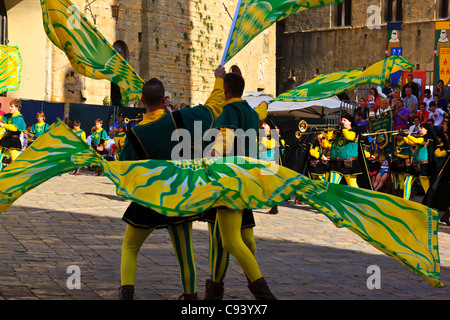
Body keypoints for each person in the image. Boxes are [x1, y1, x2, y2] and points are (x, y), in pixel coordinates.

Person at [202, 70, 275, 300]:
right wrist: (265, 103)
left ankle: (263, 292)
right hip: (247, 179)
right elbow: (261, 113)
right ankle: (227, 286)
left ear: (225, 90)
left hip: (229, 179)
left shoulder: (229, 110)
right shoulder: (252, 113)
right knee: (247, 238)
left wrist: (212, 156)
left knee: (230, 241)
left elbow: (227, 137)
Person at [398, 123, 438, 200]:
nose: (420, 129)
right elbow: (411, 142)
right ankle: (405, 201)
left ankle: (429, 203)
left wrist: (406, 135)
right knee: (406, 183)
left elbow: (416, 140)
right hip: (415, 164)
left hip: (424, 165)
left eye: (421, 128)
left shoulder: (427, 138)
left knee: (426, 187)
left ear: (426, 130)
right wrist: (403, 136)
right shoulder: (422, 137)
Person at [327, 112, 362, 188]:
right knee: (332, 184)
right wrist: (327, 131)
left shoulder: (354, 131)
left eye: (344, 120)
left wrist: (343, 128)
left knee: (353, 186)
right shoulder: (340, 133)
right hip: (337, 162)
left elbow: (348, 137)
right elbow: (329, 140)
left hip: (349, 162)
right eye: (341, 120)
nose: (342, 122)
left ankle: (358, 199)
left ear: (350, 122)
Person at [0, 99, 26, 170]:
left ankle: (16, 175)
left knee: (15, 161)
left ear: (17, 107)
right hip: (6, 139)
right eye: (10, 106)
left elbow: (14, 128)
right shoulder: (10, 115)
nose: (10, 108)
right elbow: (1, 118)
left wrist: (3, 125)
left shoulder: (19, 118)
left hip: (14, 140)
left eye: (12, 106)